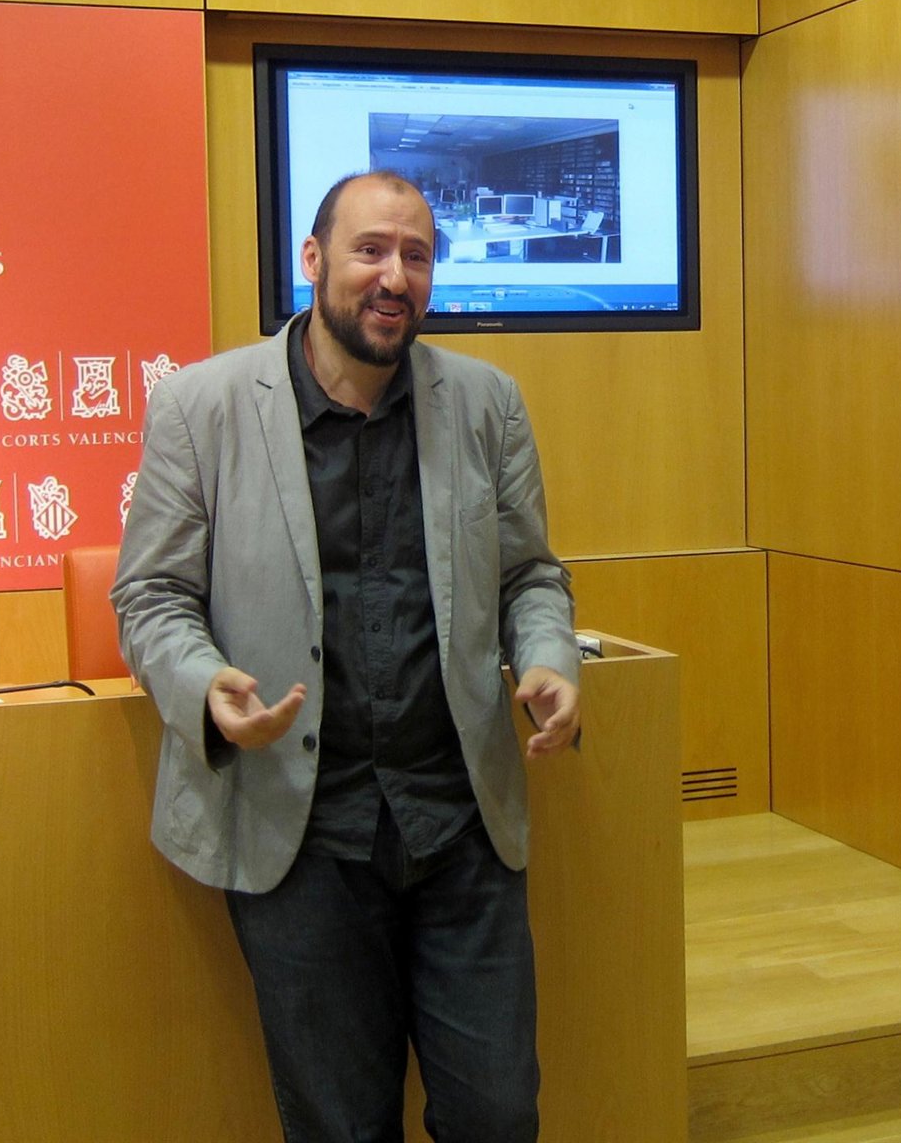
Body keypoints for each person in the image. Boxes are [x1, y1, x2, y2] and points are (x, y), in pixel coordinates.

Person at [111, 169, 580, 1143]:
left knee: (498, 1114)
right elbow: (150, 595)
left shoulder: (486, 403)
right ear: (314, 259)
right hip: (299, 833)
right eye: (371, 250)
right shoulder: (201, 407)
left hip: (458, 824)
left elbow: (530, 573)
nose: (394, 276)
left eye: (417, 255)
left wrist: (546, 659)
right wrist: (205, 687)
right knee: (341, 1127)